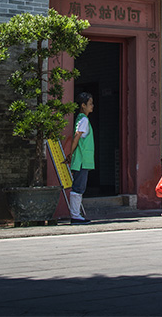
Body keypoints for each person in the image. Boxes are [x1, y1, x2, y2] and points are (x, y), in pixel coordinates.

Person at [67, 92, 95, 224]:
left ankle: (76, 214)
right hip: (82, 160)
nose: (92, 106)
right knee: (78, 187)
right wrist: (71, 153)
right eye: (90, 104)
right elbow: (77, 136)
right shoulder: (84, 120)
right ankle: (75, 215)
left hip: (82, 159)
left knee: (78, 186)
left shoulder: (80, 118)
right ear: (83, 105)